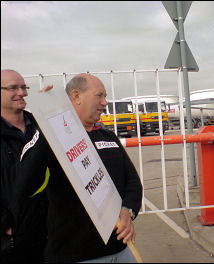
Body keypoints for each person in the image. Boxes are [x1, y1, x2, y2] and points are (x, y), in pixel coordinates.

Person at [16, 73, 143, 262]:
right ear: (76, 96)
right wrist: (47, 125)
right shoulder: (50, 142)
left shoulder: (108, 138)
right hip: (76, 255)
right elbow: (25, 185)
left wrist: (128, 210)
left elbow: (132, 181)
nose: (105, 102)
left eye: (105, 96)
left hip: (120, 249)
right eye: (99, 95)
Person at [1, 69, 49, 262]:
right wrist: (5, 225)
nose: (22, 93)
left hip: (49, 233)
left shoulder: (41, 125)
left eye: (24, 87)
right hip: (12, 244)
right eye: (13, 88)